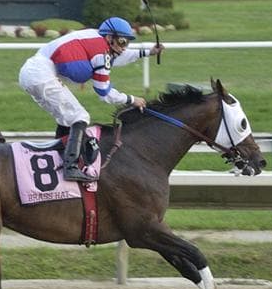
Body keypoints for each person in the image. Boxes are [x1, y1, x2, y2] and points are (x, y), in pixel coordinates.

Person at [18, 16, 164, 182]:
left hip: (32, 72)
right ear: (109, 37)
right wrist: (131, 99)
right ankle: (70, 167)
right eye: (123, 42)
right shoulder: (101, 52)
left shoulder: (95, 38)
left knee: (67, 118)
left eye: (127, 43)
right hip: (41, 75)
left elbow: (115, 56)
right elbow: (104, 92)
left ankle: (59, 160)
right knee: (80, 117)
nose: (124, 47)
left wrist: (147, 52)